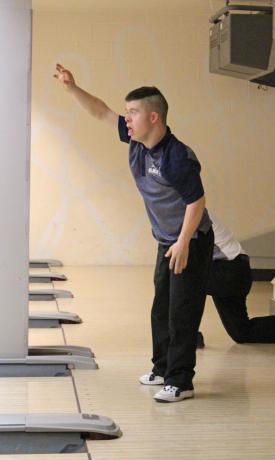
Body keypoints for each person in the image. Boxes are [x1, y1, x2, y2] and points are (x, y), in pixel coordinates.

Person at [54, 64, 214, 403]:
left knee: (181, 311)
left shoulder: (176, 157)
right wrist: (72, 88)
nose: (126, 118)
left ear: (154, 117)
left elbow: (196, 201)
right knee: (160, 308)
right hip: (167, 239)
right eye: (126, 112)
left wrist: (184, 242)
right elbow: (99, 111)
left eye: (133, 112)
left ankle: (181, 381)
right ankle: (162, 367)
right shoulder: (137, 141)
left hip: (191, 240)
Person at [199, 212, 275, 346]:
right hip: (234, 269)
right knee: (241, 332)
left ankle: (186, 336)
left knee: (182, 277)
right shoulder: (185, 212)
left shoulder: (191, 213)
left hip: (228, 271)